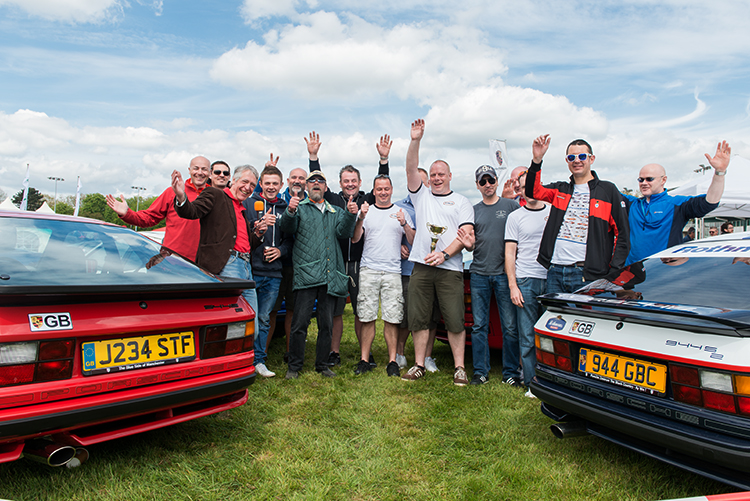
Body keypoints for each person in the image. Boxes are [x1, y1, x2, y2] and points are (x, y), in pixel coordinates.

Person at [304, 132, 392, 367]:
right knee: (335, 311)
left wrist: (383, 160)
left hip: (359, 264)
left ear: (360, 183)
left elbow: (383, 184)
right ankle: (334, 352)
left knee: (361, 311)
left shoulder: (367, 199)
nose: (350, 184)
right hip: (336, 262)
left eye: (354, 180)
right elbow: (317, 182)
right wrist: (313, 156)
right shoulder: (332, 199)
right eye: (346, 181)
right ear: (340, 182)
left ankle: (366, 353)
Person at [401, 119, 475, 386]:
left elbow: (466, 235)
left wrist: (444, 254)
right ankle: (419, 364)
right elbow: (410, 167)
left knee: (455, 319)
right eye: (433, 174)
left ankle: (459, 368)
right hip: (421, 267)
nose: (436, 178)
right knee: (419, 318)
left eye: (441, 174)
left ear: (450, 176)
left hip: (449, 269)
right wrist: (415, 141)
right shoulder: (422, 196)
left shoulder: (463, 202)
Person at [525, 135, 630, 293]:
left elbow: (622, 234)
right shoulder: (561, 189)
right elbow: (532, 191)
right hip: (555, 270)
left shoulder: (607, 190)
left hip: (587, 274)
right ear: (567, 161)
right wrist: (537, 160)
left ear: (591, 158)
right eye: (571, 157)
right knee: (556, 318)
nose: (577, 161)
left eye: (582, 156)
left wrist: (613, 271)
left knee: (588, 318)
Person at [279, 170, 358, 379]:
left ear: (325, 187)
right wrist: (289, 211)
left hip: (329, 275)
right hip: (306, 274)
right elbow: (287, 227)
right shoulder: (300, 208)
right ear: (306, 187)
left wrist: (351, 214)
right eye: (311, 181)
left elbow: (344, 233)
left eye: (320, 181)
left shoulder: (335, 211)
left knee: (327, 324)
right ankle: (294, 366)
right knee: (300, 323)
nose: (316, 184)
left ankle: (322, 365)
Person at [172, 164, 265, 329]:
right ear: (233, 181)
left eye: (252, 185)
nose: (248, 187)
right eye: (244, 182)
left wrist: (257, 234)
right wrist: (181, 197)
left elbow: (244, 243)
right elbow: (192, 211)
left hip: (245, 267)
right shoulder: (215, 194)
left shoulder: (242, 209)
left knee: (252, 325)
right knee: (235, 326)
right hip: (227, 265)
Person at [622, 141, 731, 265]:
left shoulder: (677, 204)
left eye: (649, 179)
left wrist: (720, 173)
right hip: (631, 272)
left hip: (660, 272)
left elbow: (709, 202)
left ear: (663, 180)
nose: (644, 183)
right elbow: (599, 189)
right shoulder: (631, 203)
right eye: (640, 179)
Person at [352, 175, 414, 377]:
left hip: (392, 271)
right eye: (379, 189)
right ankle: (364, 359)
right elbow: (355, 238)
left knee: (392, 317)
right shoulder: (366, 211)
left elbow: (413, 239)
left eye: (386, 188)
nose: (383, 192)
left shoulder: (400, 211)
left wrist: (405, 224)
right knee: (367, 316)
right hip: (369, 268)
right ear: (374, 190)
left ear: (392, 189)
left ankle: (392, 361)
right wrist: (360, 217)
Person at [464, 165, 520, 386]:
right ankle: (481, 371)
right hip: (479, 273)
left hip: (505, 275)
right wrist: (468, 245)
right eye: (483, 181)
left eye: (491, 180)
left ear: (497, 181)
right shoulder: (472, 210)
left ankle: (510, 373)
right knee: (479, 326)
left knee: (509, 326)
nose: (487, 184)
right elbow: (469, 242)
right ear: (477, 185)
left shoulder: (511, 206)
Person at [105, 156, 210, 261]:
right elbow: (149, 218)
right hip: (174, 260)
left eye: (204, 169)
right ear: (189, 170)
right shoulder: (172, 192)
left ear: (210, 172)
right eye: (196, 168)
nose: (199, 172)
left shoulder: (215, 196)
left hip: (205, 263)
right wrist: (127, 214)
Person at [505, 171, 550, 397]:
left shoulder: (553, 212)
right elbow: (510, 253)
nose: (529, 191)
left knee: (551, 335)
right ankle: (533, 383)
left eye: (533, 186)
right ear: (519, 191)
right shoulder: (515, 217)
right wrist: (513, 285)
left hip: (551, 279)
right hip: (526, 279)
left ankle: (552, 380)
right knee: (527, 335)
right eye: (524, 187)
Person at [243, 165, 291, 378]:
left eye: (275, 183)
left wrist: (280, 251)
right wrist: (257, 226)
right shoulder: (248, 204)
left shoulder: (286, 208)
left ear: (281, 186)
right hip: (251, 270)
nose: (271, 187)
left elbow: (291, 240)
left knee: (264, 318)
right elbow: (241, 234)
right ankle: (242, 359)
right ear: (261, 184)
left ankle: (259, 360)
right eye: (267, 183)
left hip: (274, 273)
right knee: (247, 319)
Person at [395, 167, 441, 372]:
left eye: (425, 183)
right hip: (407, 270)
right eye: (418, 183)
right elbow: (386, 236)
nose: (422, 187)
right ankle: (400, 353)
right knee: (405, 316)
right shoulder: (398, 208)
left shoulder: (438, 205)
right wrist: (398, 246)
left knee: (430, 316)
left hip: (432, 269)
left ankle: (428, 357)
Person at [268, 167, 309, 357]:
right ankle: (263, 353)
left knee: (293, 310)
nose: (297, 181)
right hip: (276, 264)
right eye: (294, 177)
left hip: (299, 264)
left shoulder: (310, 201)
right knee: (272, 310)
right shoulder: (279, 199)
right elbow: (260, 194)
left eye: (301, 178)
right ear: (288, 180)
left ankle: (289, 352)